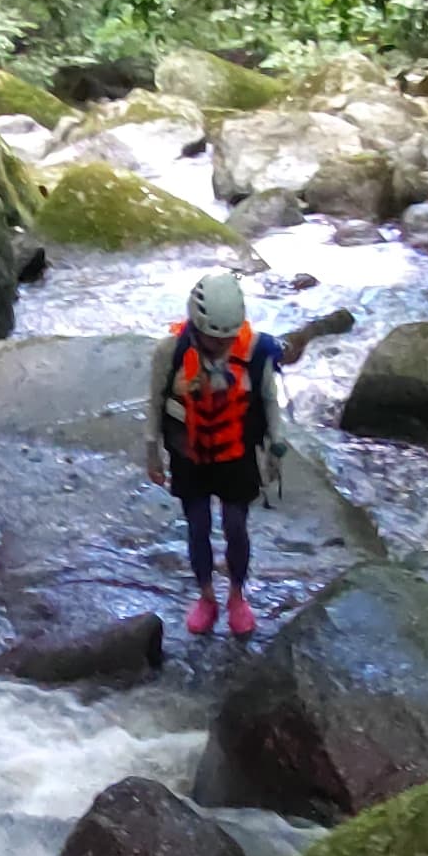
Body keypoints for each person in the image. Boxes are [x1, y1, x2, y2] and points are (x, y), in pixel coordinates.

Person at [144, 269, 289, 637]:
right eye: (212, 341)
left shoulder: (256, 352)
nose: (221, 348)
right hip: (188, 453)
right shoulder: (170, 352)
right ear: (196, 325)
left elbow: (270, 401)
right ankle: (206, 596)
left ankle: (237, 596)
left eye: (226, 341)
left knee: (236, 527)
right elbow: (155, 401)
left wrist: (276, 443)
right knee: (198, 527)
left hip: (236, 454)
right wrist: (151, 450)